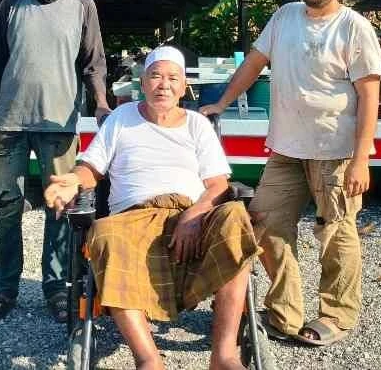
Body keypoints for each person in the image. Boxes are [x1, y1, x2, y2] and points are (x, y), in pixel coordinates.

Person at [201, 0, 381, 347]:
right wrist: (222, 102)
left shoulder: (354, 27)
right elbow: (254, 62)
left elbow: (370, 94)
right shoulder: (284, 16)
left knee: (336, 234)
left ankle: (337, 315)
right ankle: (285, 312)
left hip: (336, 151)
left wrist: (361, 159)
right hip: (285, 147)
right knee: (265, 223)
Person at [45, 46, 260, 370]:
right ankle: (148, 360)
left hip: (191, 213)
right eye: (156, 76)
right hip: (134, 216)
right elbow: (91, 168)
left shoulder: (197, 125)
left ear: (184, 86)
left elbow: (218, 185)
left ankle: (224, 356)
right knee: (103, 232)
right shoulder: (121, 118)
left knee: (235, 217)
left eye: (173, 78)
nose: (164, 85)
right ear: (143, 83)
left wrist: (194, 215)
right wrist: (73, 181)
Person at [0, 0, 111, 325]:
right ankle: (4, 288)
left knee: (61, 207)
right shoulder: (10, 6)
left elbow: (94, 62)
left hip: (58, 124)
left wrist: (102, 103)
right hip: (9, 122)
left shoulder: (83, 6)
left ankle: (56, 288)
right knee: (7, 207)